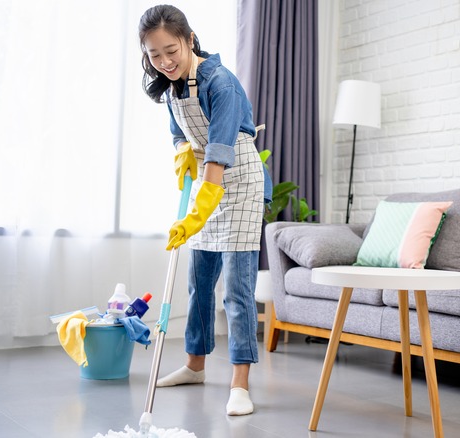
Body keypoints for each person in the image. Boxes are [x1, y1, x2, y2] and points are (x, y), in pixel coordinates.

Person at [138, 4, 267, 416]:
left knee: (237, 290)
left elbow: (218, 153)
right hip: (209, 182)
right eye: (154, 55)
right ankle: (194, 365)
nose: (164, 62)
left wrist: (198, 212)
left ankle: (240, 384)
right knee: (199, 283)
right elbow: (180, 128)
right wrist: (180, 152)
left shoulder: (221, 83)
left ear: (190, 40)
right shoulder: (172, 84)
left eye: (171, 50)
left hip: (239, 182)